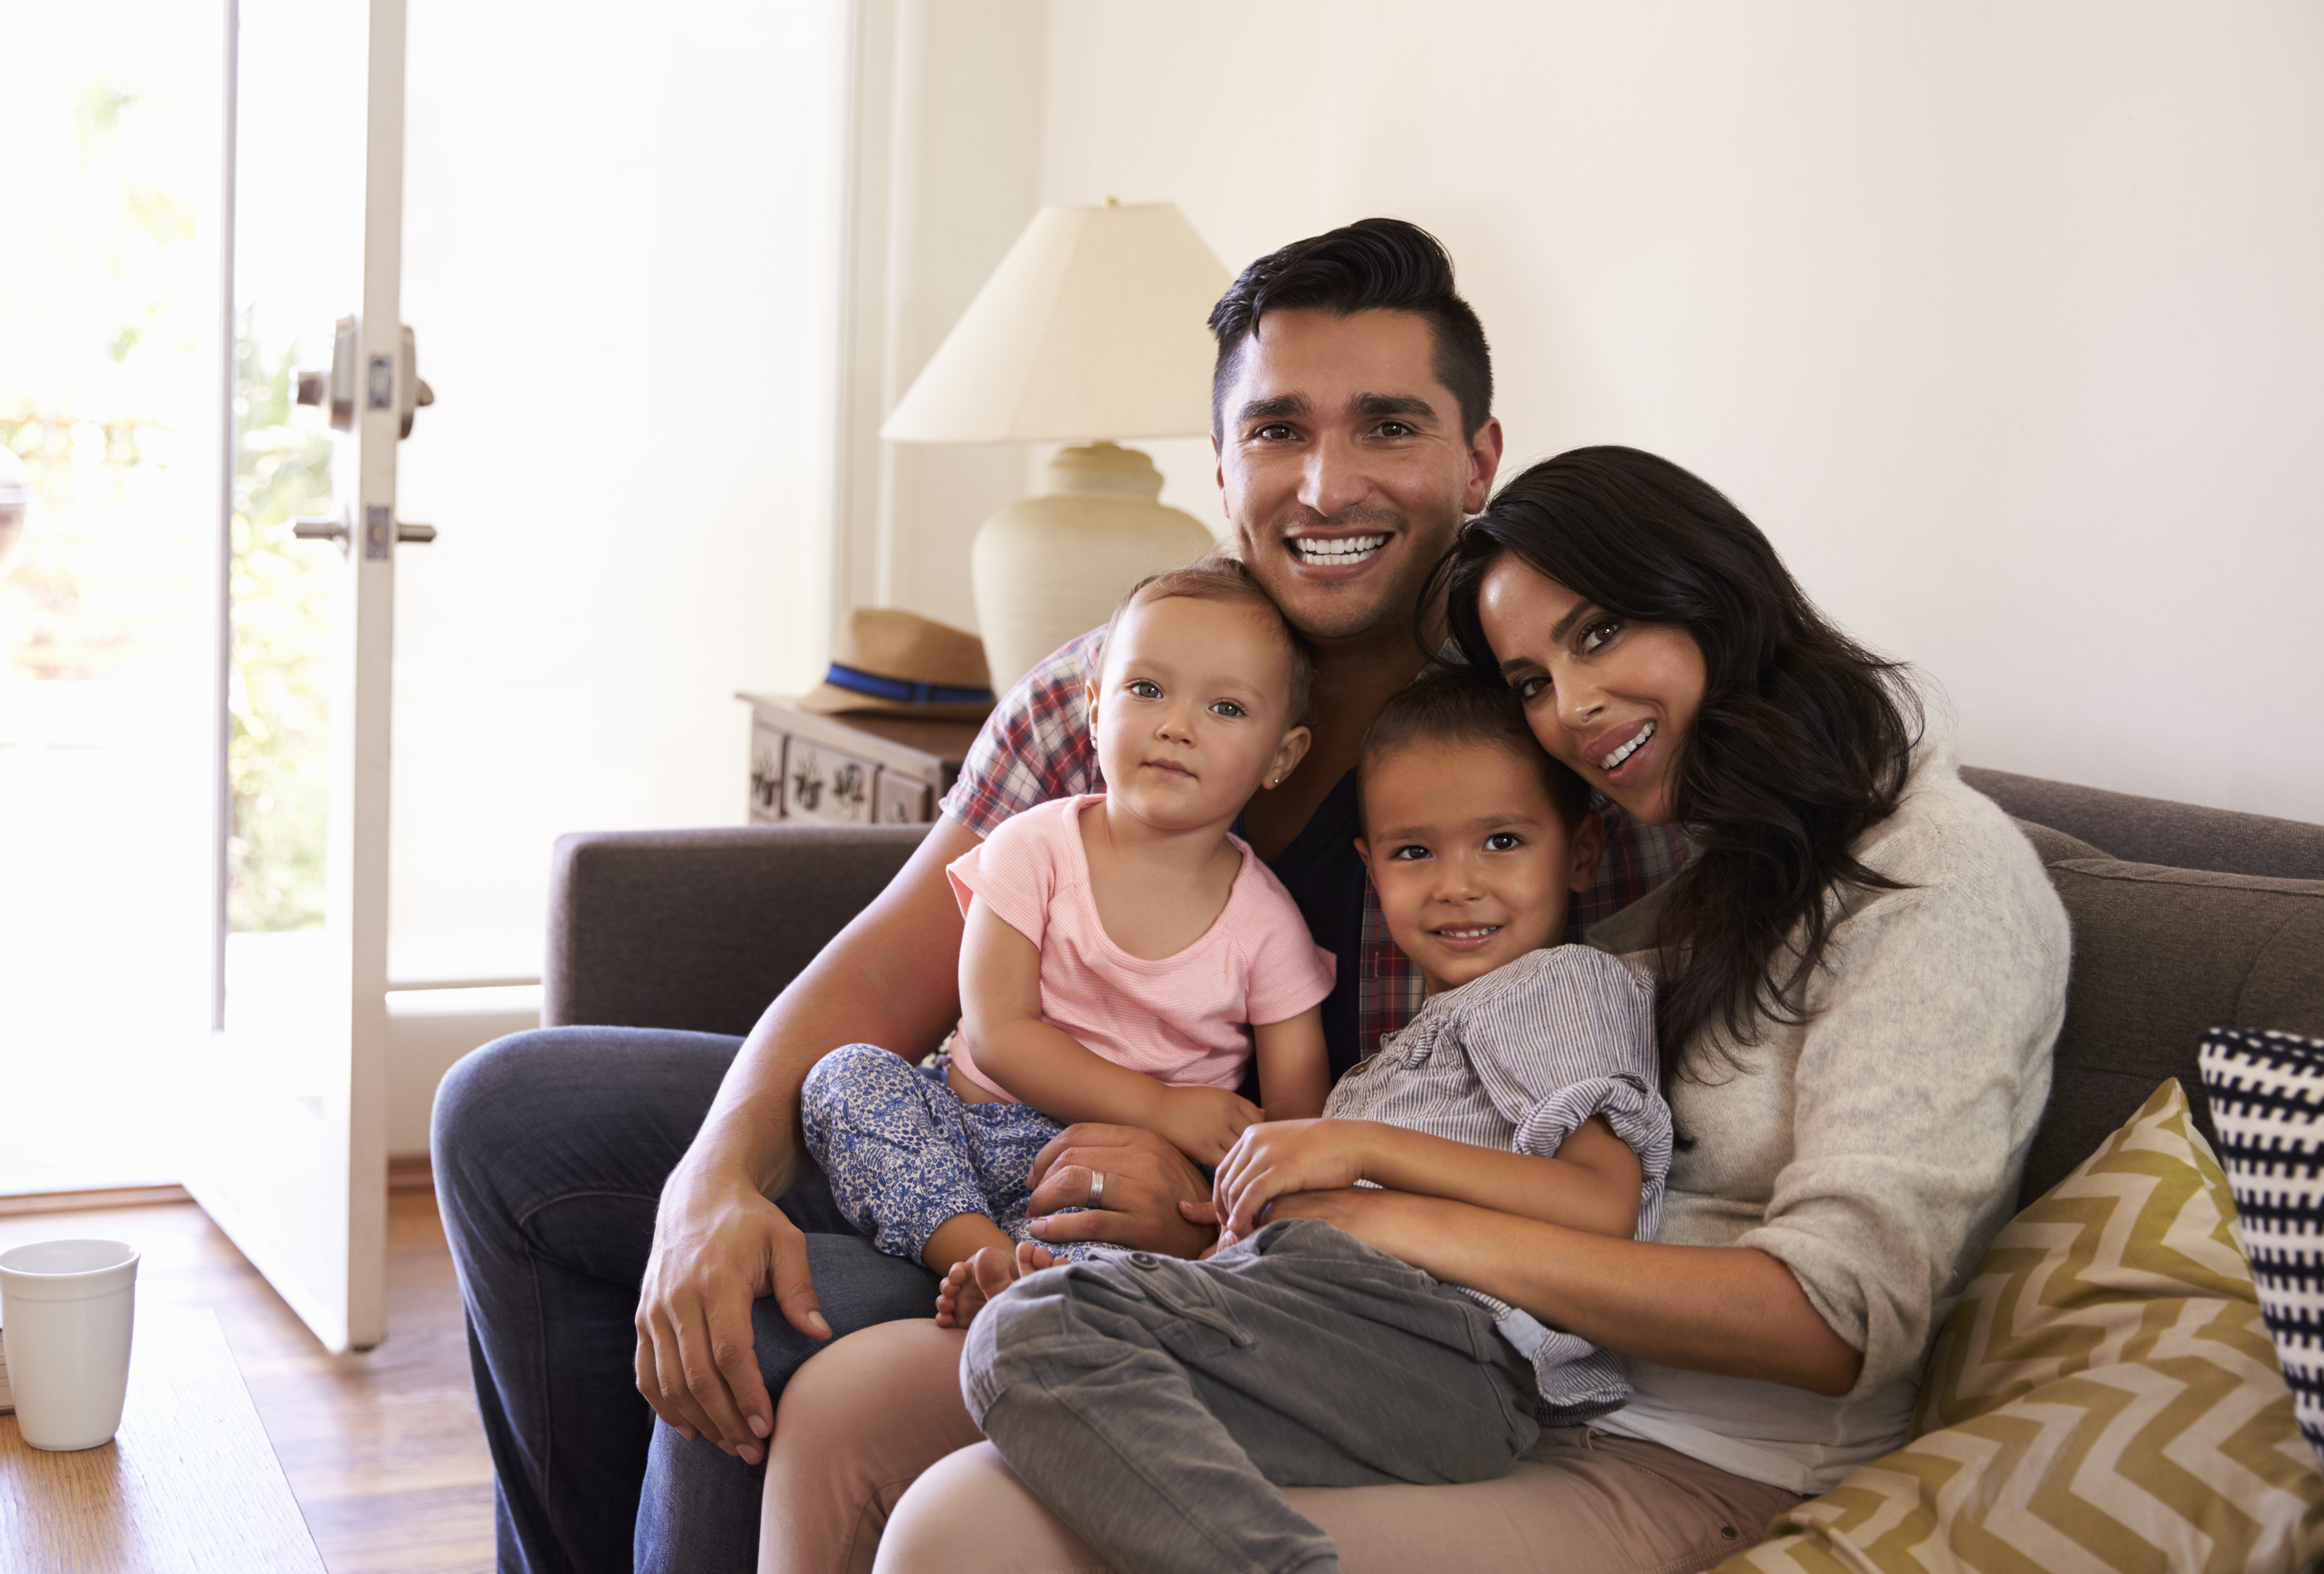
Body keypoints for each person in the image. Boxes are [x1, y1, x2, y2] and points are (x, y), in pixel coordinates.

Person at [431, 220, 1689, 1573]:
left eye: (1387, 425)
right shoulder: (1101, 686)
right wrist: (709, 1181)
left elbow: (1539, 1157)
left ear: (1475, 460)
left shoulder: (1541, 748)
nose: (1326, 484)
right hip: (957, 1133)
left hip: (1203, 1260)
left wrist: (1211, 1208)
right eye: (1275, 433)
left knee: (764, 1323)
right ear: (1220, 467)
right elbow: (885, 972)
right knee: (509, 1114)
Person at [752, 444, 2071, 1574]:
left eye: (1597, 634)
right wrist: (1212, 1208)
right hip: (1436, 1348)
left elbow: (1831, 1321)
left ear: (1717, 597)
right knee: (848, 1403)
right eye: (1530, 680)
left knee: (967, 1522)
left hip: (1685, 1451)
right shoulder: (1688, 880)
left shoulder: (1933, 877)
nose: (1573, 708)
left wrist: (1388, 1212)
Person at [958, 669, 1674, 1574]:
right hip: (1327, 1319)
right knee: (1030, 1331)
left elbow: (1601, 1208)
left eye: (1501, 841)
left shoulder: (1564, 982)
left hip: (1443, 1351)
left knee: (1027, 1338)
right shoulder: (1407, 1049)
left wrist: (1359, 1143)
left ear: (1578, 853)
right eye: (1414, 852)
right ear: (1371, 866)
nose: (1457, 885)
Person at [800, 559, 1335, 1328]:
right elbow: (999, 1031)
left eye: (1225, 707)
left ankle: (1031, 1280)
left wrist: (1211, 1176)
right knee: (844, 1078)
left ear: (1281, 756)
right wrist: (1164, 1107)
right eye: (1145, 690)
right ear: (1092, 709)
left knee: (1140, 1264)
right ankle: (979, 1256)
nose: (1175, 724)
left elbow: (1294, 1120)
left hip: (1111, 1183)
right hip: (965, 1122)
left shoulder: (1268, 926)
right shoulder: (1034, 847)